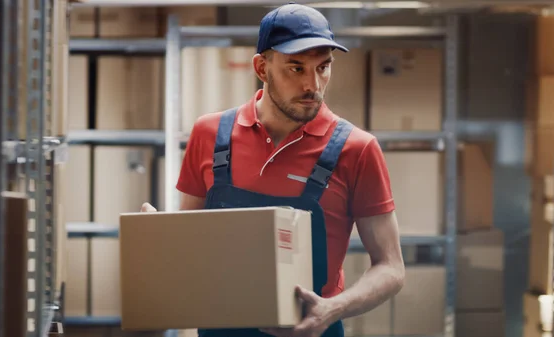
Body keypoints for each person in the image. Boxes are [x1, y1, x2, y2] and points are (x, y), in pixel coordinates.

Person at [141, 2, 405, 337]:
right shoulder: (209, 134)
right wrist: (157, 237)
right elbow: (193, 245)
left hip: (314, 328)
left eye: (323, 67)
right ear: (262, 68)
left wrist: (330, 309)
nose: (314, 85)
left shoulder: (357, 149)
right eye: (296, 68)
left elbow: (391, 267)